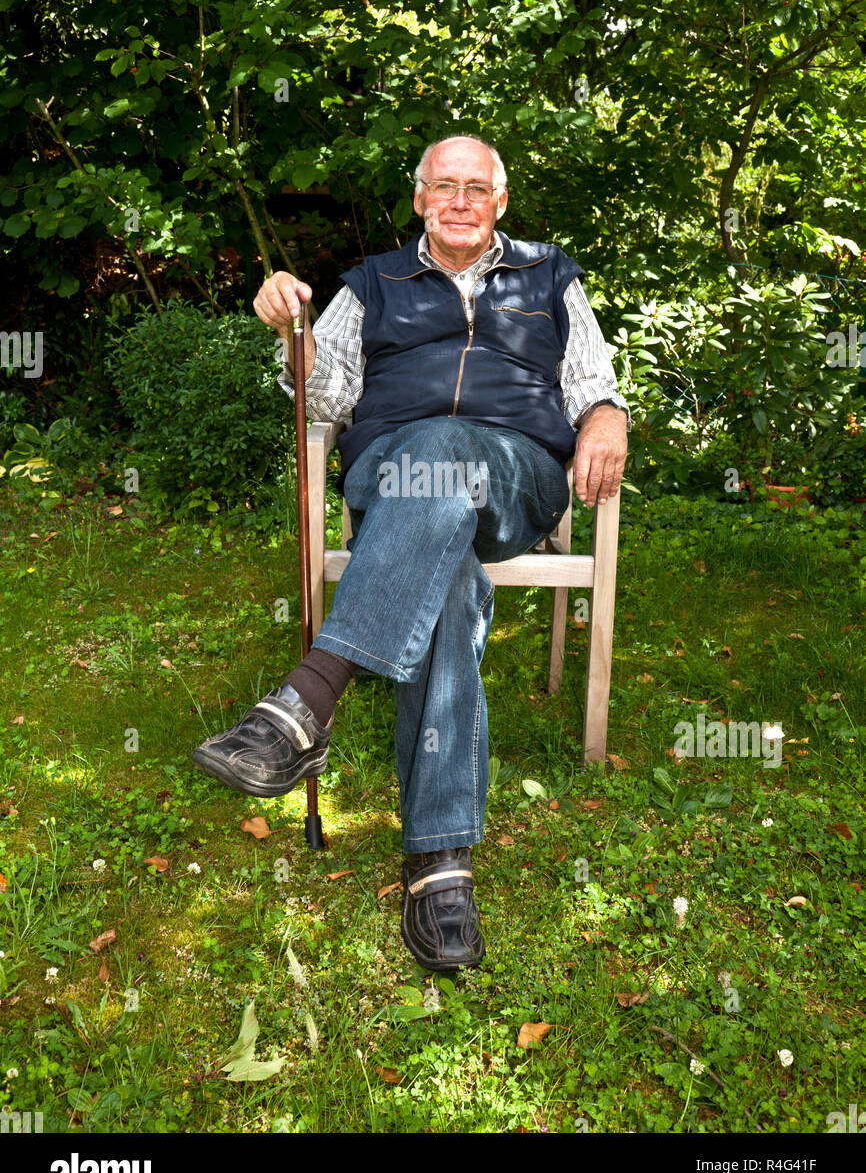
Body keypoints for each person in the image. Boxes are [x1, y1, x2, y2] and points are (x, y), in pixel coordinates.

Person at [191, 134, 630, 972]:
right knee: (451, 581)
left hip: (517, 474)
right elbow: (324, 397)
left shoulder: (550, 278)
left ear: (500, 202)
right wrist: (294, 331)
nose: (460, 201)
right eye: (444, 187)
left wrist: (608, 418)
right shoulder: (370, 286)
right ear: (420, 198)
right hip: (397, 479)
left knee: (453, 446)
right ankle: (440, 862)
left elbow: (593, 384)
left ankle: (307, 701)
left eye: (477, 188)